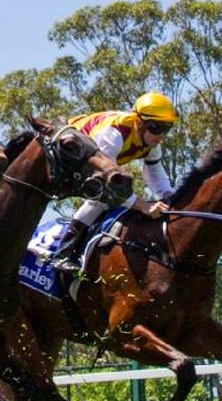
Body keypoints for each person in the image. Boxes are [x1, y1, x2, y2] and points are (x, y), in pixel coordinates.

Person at [51, 92, 179, 273]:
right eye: (156, 127)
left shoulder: (151, 144)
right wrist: (143, 205)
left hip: (88, 163)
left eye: (167, 128)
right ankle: (63, 253)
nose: (161, 135)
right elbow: (104, 183)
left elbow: (155, 174)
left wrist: (170, 197)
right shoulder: (114, 135)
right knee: (100, 200)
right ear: (139, 123)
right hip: (65, 154)